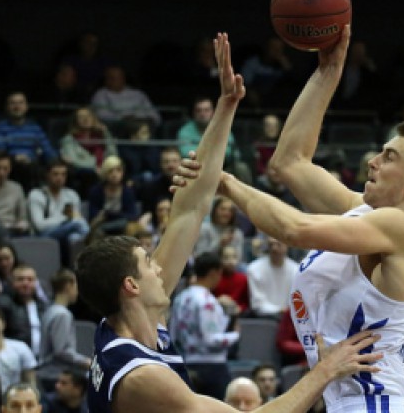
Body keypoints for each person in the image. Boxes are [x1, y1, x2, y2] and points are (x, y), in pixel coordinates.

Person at [76, 33, 382, 413]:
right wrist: (325, 370)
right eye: (148, 263)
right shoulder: (140, 375)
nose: (161, 267)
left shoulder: (133, 326)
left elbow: (189, 209)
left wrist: (226, 106)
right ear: (131, 285)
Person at [177, 25, 404, 413]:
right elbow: (289, 163)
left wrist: (224, 181)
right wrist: (327, 72)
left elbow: (294, 229)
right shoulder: (364, 213)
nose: (373, 161)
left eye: (389, 157)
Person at [169, 252, 239, 400]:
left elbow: (173, 335)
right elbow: (211, 340)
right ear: (214, 273)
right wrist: (235, 335)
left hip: (187, 364)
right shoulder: (207, 301)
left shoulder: (180, 298)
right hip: (211, 367)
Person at [37, 269, 90, 392]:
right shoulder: (62, 314)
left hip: (48, 374)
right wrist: (86, 362)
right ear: (68, 286)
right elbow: (61, 351)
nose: (77, 291)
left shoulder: (49, 311)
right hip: (55, 376)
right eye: (76, 285)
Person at [177, 96, 251, 184]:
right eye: (199, 110)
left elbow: (229, 151)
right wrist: (214, 151)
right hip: (195, 169)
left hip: (222, 167)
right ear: (194, 113)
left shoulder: (222, 127)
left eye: (206, 110)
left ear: (212, 112)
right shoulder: (185, 131)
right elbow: (185, 152)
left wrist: (204, 153)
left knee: (241, 168)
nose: (202, 113)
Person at [27, 160, 89, 260]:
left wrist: (69, 220)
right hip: (43, 235)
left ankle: (76, 268)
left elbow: (75, 218)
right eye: (55, 174)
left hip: (66, 233)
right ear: (47, 175)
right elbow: (39, 226)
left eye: (63, 174)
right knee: (79, 224)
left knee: (75, 237)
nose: (60, 178)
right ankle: (92, 242)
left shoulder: (71, 195)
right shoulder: (37, 194)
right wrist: (65, 218)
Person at [58, 106, 117, 197]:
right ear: (75, 121)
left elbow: (113, 154)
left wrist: (106, 133)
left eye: (88, 116)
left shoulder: (101, 136)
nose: (86, 119)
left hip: (103, 170)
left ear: (94, 118)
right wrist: (95, 168)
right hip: (84, 173)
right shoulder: (69, 139)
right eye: (81, 117)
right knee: (90, 174)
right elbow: (73, 161)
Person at [90, 65, 161, 127]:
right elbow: (102, 116)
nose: (112, 80)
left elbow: (155, 117)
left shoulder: (138, 94)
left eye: (118, 77)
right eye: (111, 78)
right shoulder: (100, 94)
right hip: (117, 129)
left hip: (142, 127)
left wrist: (139, 119)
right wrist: (123, 119)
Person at [246, 236, 298, 319]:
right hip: (263, 318)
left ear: (287, 245)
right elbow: (257, 304)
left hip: (290, 318)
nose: (274, 248)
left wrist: (287, 311)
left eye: (278, 244)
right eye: (271, 245)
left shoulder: (296, 270)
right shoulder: (254, 269)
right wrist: (280, 310)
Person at [87, 156, 139, 235]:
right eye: (111, 171)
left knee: (131, 227)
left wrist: (110, 214)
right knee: (96, 231)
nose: (114, 174)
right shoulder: (96, 191)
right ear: (105, 173)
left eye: (118, 170)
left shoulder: (127, 191)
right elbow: (92, 216)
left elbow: (132, 215)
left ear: (122, 173)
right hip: (102, 226)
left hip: (121, 224)